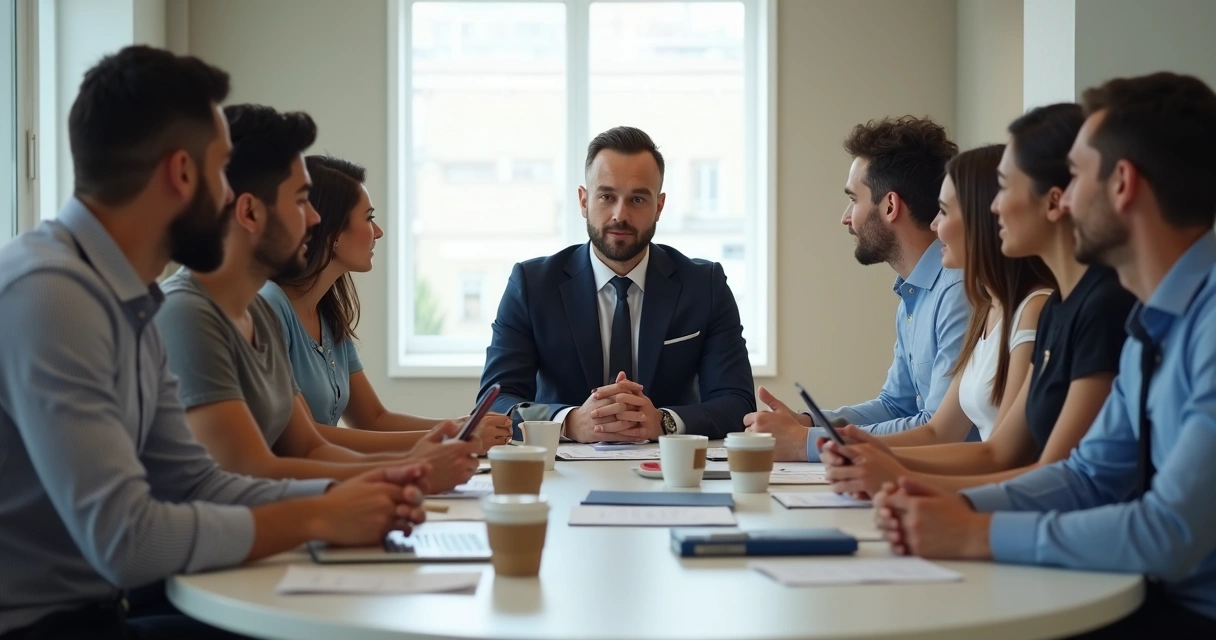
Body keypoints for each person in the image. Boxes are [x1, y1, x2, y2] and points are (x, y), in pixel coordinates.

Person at [0, 46, 429, 640]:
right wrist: (319, 514)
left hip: (99, 611)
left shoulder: (130, 299)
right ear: (182, 174)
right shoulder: (53, 295)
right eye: (221, 170)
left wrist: (350, 493)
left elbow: (197, 482)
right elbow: (128, 541)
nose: (232, 199)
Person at [872, 72, 1216, 638]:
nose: (1065, 197)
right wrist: (948, 506)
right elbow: (1085, 476)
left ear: (1122, 184)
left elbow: (1170, 532)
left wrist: (972, 533)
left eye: (1076, 176)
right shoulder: (1149, 321)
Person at [155, 104, 479, 493]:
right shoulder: (185, 313)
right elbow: (247, 469)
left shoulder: (255, 311)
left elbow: (309, 448)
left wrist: (412, 465)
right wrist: (407, 469)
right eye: (299, 201)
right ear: (250, 213)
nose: (313, 219)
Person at [822, 104, 1135, 496]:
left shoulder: (1055, 308)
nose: (996, 206)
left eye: (1005, 188)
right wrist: (864, 453)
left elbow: (1034, 468)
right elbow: (988, 447)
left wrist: (897, 477)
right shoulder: (1041, 308)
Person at [478, 126, 755, 442]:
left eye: (638, 198)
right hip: (564, 474)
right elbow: (495, 405)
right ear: (584, 201)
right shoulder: (531, 286)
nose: (620, 215)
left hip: (671, 470)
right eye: (606, 196)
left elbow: (738, 404)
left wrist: (663, 422)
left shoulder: (705, 286)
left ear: (659, 207)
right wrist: (567, 423)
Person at [744, 116, 968, 461]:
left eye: (854, 199)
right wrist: (807, 422)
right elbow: (896, 405)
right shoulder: (914, 292)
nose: (846, 217)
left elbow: (936, 428)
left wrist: (809, 440)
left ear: (890, 206)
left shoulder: (956, 291)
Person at [259, 155, 511, 450]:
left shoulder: (328, 315)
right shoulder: (271, 304)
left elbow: (373, 418)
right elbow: (307, 439)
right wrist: (453, 437)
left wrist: (462, 426)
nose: (378, 232)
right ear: (332, 232)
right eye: (368, 218)